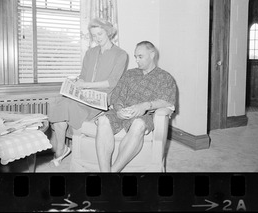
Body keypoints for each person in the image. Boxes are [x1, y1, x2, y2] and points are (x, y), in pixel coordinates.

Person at [48, 18, 128, 167]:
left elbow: (112, 82)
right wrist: (76, 83)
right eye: (94, 35)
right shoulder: (90, 53)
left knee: (66, 106)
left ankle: (60, 149)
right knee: (59, 103)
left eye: (100, 34)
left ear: (109, 32)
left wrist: (86, 85)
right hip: (84, 95)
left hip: (102, 98)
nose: (97, 38)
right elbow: (83, 76)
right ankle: (62, 147)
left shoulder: (121, 54)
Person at [95, 41, 177, 172]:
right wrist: (119, 109)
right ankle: (105, 173)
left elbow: (167, 101)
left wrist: (145, 105)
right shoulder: (130, 73)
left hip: (143, 115)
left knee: (138, 124)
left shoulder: (165, 77)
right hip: (122, 111)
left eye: (140, 56)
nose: (137, 60)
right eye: (135, 56)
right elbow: (117, 94)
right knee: (103, 120)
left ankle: (113, 173)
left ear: (152, 54)